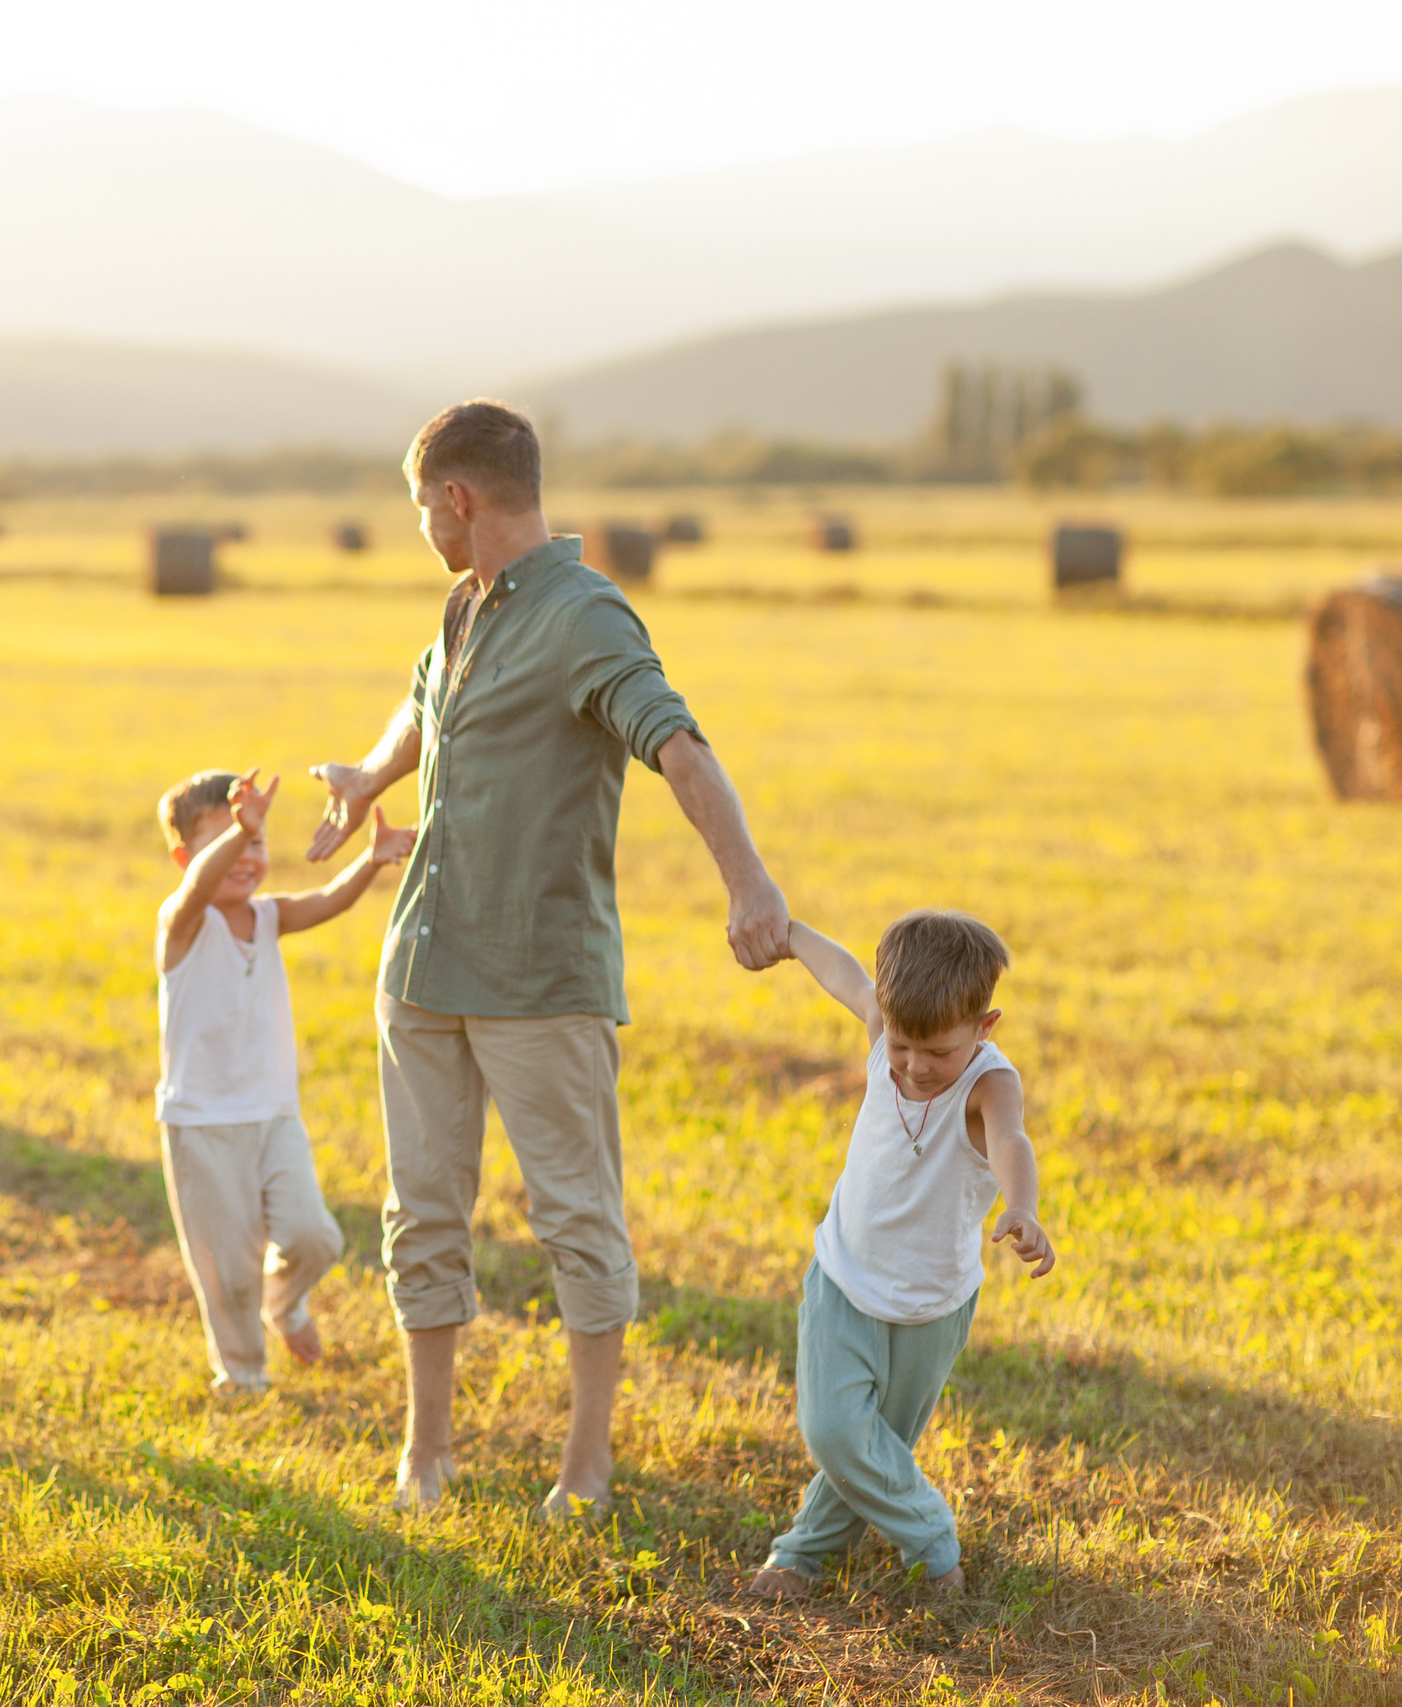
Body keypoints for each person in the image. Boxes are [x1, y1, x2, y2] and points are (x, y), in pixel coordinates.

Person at [306, 399, 793, 1516]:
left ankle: (586, 1466)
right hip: (421, 963)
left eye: (423, 505)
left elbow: (675, 741)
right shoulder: (463, 606)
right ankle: (426, 1450)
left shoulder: (585, 616)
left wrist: (749, 883)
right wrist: (366, 780)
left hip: (537, 979)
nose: (422, 523)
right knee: (420, 1212)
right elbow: (422, 705)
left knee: (575, 1217)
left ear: (456, 499)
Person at [743, 911, 1057, 1599]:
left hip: (931, 1304)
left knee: (875, 1444)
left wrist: (1022, 1206)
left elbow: (1011, 1142)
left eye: (937, 1052)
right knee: (834, 1429)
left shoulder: (988, 1083)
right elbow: (843, 973)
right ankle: (930, 1536)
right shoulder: (887, 1028)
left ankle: (801, 1556)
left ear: (984, 1025)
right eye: (903, 1044)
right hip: (844, 1272)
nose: (915, 1065)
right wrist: (792, 934)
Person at [153, 766, 410, 1394]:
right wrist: (240, 832)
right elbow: (200, 887)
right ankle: (241, 1375)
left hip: (274, 1115)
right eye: (228, 843)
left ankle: (285, 1304)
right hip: (201, 1125)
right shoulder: (182, 922)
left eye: (258, 842)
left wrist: (372, 862)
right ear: (186, 856)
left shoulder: (268, 917)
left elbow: (326, 901)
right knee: (227, 1271)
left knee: (314, 1235)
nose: (246, 855)